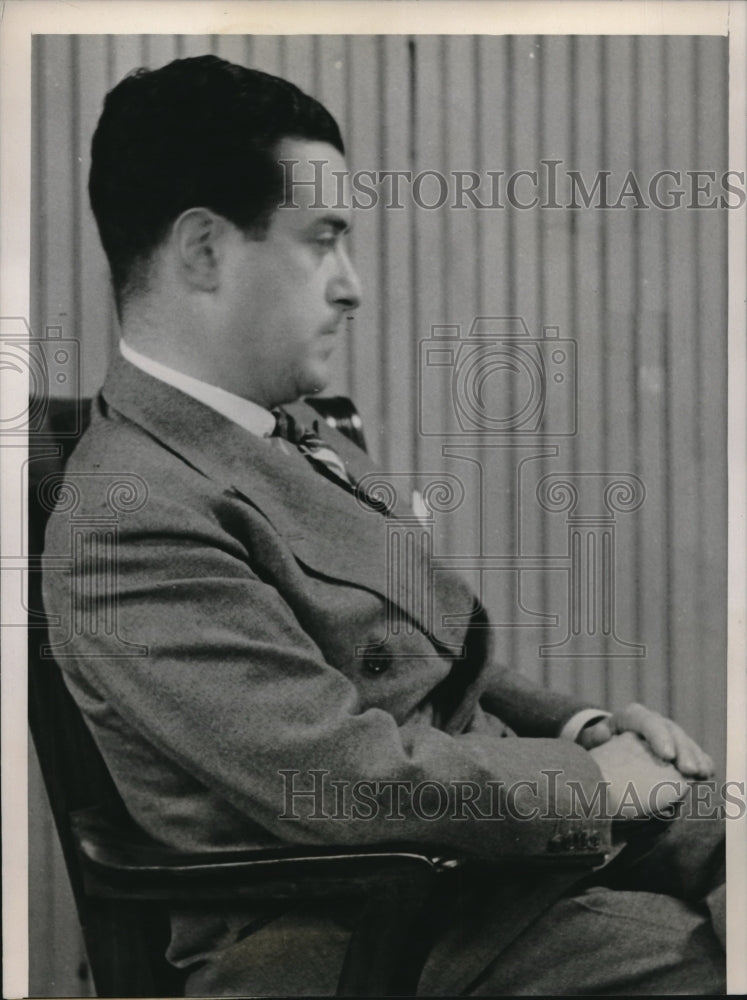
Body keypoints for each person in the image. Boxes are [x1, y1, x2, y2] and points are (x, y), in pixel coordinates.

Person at [42, 55, 725, 995]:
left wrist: (587, 725)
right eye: (322, 238)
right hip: (353, 930)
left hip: (466, 859)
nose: (352, 284)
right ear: (202, 250)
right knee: (704, 955)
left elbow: (433, 662)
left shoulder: (288, 430)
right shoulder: (133, 514)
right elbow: (344, 778)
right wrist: (592, 782)